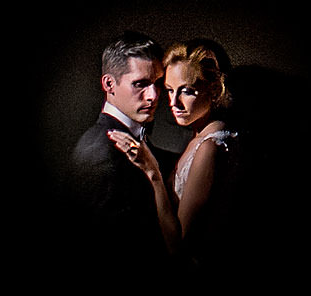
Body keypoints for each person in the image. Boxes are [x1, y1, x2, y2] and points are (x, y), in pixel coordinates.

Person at [110, 38, 245, 268]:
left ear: (213, 90)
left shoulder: (210, 146)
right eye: (170, 90)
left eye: (187, 91)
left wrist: (153, 173)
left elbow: (179, 246)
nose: (173, 103)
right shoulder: (200, 136)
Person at [69, 32, 170, 270]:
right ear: (108, 84)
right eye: (141, 84)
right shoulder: (102, 154)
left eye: (157, 84)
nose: (154, 96)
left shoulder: (130, 138)